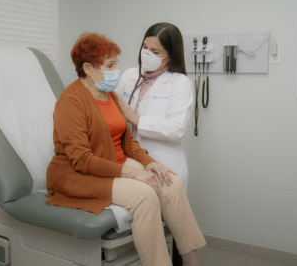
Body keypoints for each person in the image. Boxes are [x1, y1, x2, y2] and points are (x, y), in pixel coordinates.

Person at [45, 32, 205, 266]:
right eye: (110, 66)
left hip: (114, 161)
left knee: (171, 181)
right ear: (88, 69)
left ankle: (192, 261)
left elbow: (127, 138)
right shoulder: (70, 101)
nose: (115, 72)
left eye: (115, 65)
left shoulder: (109, 93)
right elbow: (82, 161)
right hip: (80, 174)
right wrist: (135, 173)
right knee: (145, 196)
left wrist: (150, 163)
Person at [115, 22, 193, 191]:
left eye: (155, 52)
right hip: (129, 160)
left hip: (163, 164)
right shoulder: (129, 75)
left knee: (161, 214)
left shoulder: (180, 83)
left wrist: (135, 119)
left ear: (170, 56)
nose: (146, 54)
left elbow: (176, 129)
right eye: (145, 47)